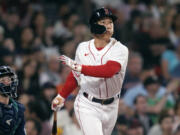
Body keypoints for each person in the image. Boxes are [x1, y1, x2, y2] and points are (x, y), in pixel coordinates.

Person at [51, 7, 129, 135]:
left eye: (110, 22)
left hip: (112, 105)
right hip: (87, 104)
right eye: (103, 23)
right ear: (94, 27)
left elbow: (108, 71)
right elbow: (76, 76)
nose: (109, 26)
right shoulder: (82, 47)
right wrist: (62, 95)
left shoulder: (120, 49)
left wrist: (79, 67)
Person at [0, 66, 26, 135]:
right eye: (2, 80)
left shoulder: (18, 109)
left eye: (9, 79)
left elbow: (21, 132)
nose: (7, 83)